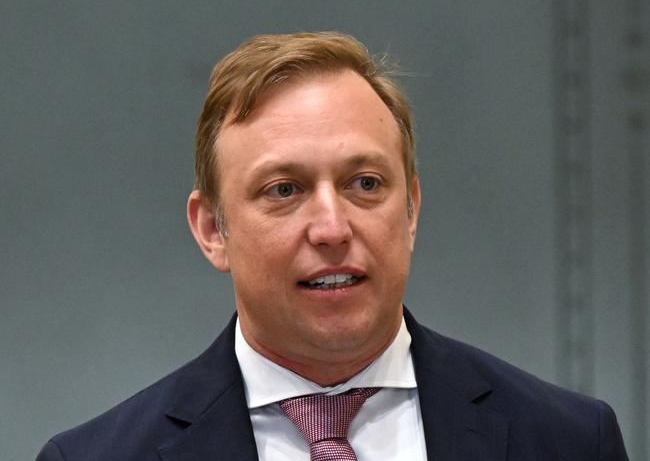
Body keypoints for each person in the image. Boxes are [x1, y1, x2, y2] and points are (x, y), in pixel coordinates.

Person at [37, 32, 629, 460]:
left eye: (364, 184)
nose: (331, 228)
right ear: (213, 230)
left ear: (412, 208)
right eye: (284, 190)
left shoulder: (569, 440)